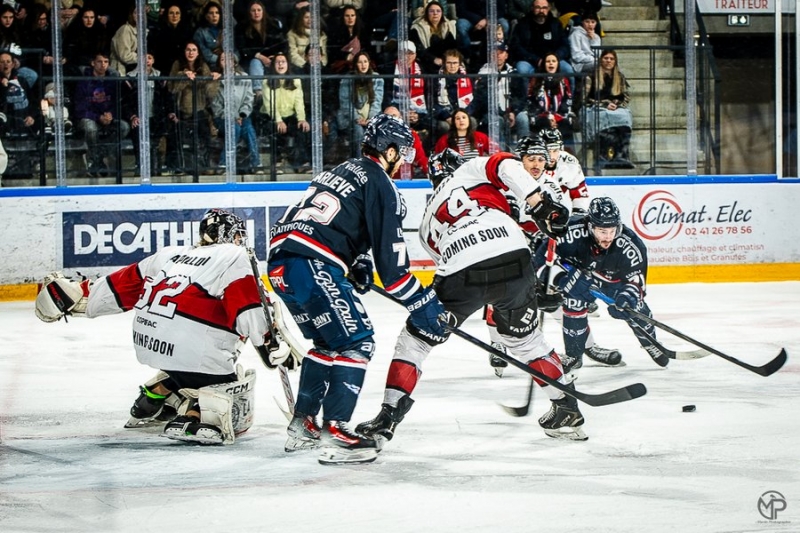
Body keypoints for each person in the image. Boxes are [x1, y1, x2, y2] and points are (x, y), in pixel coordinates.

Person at [356, 146, 586, 444]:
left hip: (462, 270)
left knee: (415, 341)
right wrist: (539, 203)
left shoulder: (426, 222)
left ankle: (388, 417)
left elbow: (454, 264)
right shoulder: (473, 170)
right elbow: (507, 165)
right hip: (515, 259)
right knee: (526, 340)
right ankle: (566, 407)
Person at [267, 113, 447, 464]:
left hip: (281, 265)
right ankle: (335, 432)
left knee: (327, 343)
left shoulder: (337, 171)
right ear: (389, 150)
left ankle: (303, 424)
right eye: (402, 153)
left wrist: (353, 261)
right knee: (356, 341)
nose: (402, 162)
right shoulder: (380, 182)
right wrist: (424, 302)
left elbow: (333, 222)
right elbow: (394, 273)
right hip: (312, 263)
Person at [34, 208, 300, 445]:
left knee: (191, 350)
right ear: (234, 236)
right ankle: (194, 412)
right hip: (194, 351)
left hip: (149, 342)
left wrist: (79, 296)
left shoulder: (170, 254)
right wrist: (267, 341)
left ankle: (154, 395)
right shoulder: (235, 255)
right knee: (232, 382)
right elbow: (247, 310)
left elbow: (120, 288)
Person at [533, 197, 669, 373]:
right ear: (590, 226)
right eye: (602, 231)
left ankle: (651, 343)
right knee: (573, 303)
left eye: (612, 231)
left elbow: (636, 281)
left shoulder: (630, 244)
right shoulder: (569, 230)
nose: (608, 237)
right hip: (578, 278)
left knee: (634, 308)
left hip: (613, 282)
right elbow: (541, 261)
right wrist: (562, 279)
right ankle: (574, 355)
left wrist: (627, 297)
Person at [74, 52, 131, 177]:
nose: (103, 65)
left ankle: (97, 157)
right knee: (90, 129)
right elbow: (80, 108)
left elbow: (117, 103)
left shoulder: (113, 81)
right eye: (100, 62)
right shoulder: (84, 82)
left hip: (108, 118)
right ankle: (97, 161)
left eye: (106, 62)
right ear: (93, 63)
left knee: (124, 127)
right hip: (90, 117)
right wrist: (97, 117)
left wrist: (111, 115)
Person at [168, 40, 220, 176]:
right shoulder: (177, 65)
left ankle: (206, 165)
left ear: (198, 53)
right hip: (180, 109)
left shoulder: (203, 66)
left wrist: (213, 80)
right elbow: (172, 88)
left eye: (194, 50)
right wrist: (184, 77)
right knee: (175, 133)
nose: (191, 53)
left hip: (199, 109)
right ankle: (177, 166)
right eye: (188, 49)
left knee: (206, 134)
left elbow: (210, 93)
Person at [122, 52, 176, 176]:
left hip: (157, 117)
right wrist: (133, 116)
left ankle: (162, 167)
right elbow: (125, 102)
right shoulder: (129, 78)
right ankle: (140, 167)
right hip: (139, 118)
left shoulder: (160, 77)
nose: (147, 61)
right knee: (138, 135)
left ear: (153, 61)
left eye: (149, 58)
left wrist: (170, 112)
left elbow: (167, 98)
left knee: (166, 133)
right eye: (143, 58)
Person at [209, 52, 262, 174]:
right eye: (223, 59)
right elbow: (216, 107)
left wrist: (241, 115)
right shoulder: (216, 80)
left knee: (248, 129)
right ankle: (224, 164)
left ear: (234, 62)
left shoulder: (244, 77)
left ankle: (256, 163)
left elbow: (249, 100)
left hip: (243, 116)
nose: (226, 61)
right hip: (223, 118)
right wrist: (233, 117)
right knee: (235, 129)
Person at [582, 48, 634, 169]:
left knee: (625, 117)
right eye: (606, 58)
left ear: (615, 61)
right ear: (601, 60)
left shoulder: (620, 77)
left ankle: (621, 155)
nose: (608, 61)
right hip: (597, 107)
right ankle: (602, 156)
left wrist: (617, 103)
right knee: (602, 116)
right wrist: (604, 104)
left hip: (616, 108)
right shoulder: (591, 76)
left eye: (611, 59)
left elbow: (626, 97)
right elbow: (585, 99)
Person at [260, 51, 310, 174]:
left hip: (289, 115)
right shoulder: (267, 81)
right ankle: (277, 162)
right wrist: (278, 120)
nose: (280, 64)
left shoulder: (295, 80)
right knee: (274, 129)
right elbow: (269, 104)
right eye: (277, 62)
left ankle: (301, 163)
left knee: (301, 128)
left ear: (288, 64)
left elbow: (299, 101)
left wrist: (301, 119)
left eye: (283, 62)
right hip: (270, 115)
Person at [475, 40, 529, 151]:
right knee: (497, 120)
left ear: (506, 55)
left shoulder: (514, 73)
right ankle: (502, 154)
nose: (498, 56)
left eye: (501, 53)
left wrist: (513, 111)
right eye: (494, 53)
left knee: (523, 118)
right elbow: (483, 99)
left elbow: (521, 96)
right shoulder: (483, 74)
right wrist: (502, 113)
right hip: (491, 113)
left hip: (511, 112)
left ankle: (524, 152)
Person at [510, 0, 573, 82]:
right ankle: (526, 95)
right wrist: (535, 60)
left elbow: (565, 45)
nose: (541, 11)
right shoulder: (522, 24)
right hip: (529, 60)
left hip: (553, 59)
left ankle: (569, 95)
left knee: (569, 71)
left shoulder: (556, 23)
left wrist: (555, 57)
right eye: (538, 7)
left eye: (544, 8)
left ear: (549, 8)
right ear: (532, 8)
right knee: (522, 71)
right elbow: (516, 46)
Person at [336, 50, 384, 157]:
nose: (363, 65)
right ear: (355, 64)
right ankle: (360, 161)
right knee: (358, 130)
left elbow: (377, 102)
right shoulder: (347, 79)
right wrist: (357, 118)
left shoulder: (377, 78)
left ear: (369, 63)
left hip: (370, 118)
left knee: (374, 129)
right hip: (351, 118)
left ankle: (375, 162)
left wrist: (369, 120)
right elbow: (345, 104)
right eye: (360, 62)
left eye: (365, 61)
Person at [234, 0, 286, 94]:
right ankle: (258, 92)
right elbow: (242, 48)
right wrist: (260, 56)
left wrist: (275, 56)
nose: (256, 13)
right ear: (249, 13)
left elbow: (282, 45)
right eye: (253, 10)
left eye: (259, 10)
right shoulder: (241, 27)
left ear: (263, 11)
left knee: (280, 61)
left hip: (272, 58)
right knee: (256, 62)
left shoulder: (273, 25)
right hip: (250, 60)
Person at [526, 51, 575, 149]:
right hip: (540, 116)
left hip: (559, 116)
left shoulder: (564, 81)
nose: (551, 63)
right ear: (544, 64)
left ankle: (568, 155)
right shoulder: (535, 80)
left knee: (566, 124)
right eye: (548, 61)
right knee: (544, 123)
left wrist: (556, 117)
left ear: (557, 64)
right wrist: (548, 117)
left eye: (554, 61)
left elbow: (567, 100)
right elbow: (531, 101)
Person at [432, 49, 476, 137]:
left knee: (472, 122)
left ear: (460, 64)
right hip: (445, 115)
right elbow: (433, 101)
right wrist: (447, 116)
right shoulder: (436, 78)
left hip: (463, 113)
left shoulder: (468, 77)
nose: (452, 66)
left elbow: (474, 100)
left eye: (455, 63)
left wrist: (463, 114)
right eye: (449, 63)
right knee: (444, 126)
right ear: (444, 63)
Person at [409, 0, 457, 74]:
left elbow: (453, 47)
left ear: (442, 13)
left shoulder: (449, 26)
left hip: (445, 60)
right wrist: (433, 59)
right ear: (427, 13)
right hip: (426, 60)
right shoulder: (417, 28)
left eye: (438, 11)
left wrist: (446, 59)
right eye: (431, 11)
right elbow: (419, 50)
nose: (435, 13)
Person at [383, 105, 429, 179]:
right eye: (387, 117)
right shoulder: (377, 136)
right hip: (383, 180)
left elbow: (420, 158)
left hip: (405, 181)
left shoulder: (411, 135)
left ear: (400, 118)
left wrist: (429, 172)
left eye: (394, 116)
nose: (391, 119)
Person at [568, 10, 601, 77]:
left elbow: (598, 54)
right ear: (582, 22)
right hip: (579, 65)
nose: (590, 24)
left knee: (611, 63)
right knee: (601, 64)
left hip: (594, 61)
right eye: (587, 21)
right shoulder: (575, 34)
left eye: (593, 22)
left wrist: (593, 40)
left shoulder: (596, 37)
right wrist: (593, 59)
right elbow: (576, 56)